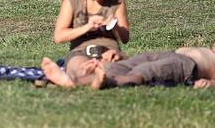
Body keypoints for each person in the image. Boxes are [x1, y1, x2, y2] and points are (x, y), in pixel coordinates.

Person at [41, 0, 131, 87]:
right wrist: (87, 26)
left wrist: (115, 26)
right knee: (81, 69)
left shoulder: (117, 0)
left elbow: (125, 38)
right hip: (81, 51)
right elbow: (58, 37)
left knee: (112, 68)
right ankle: (94, 79)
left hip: (109, 52)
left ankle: (82, 81)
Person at [87, 44, 215, 90]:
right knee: (122, 66)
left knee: (144, 72)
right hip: (170, 54)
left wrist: (210, 83)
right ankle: (73, 81)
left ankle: (109, 82)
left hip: (186, 65)